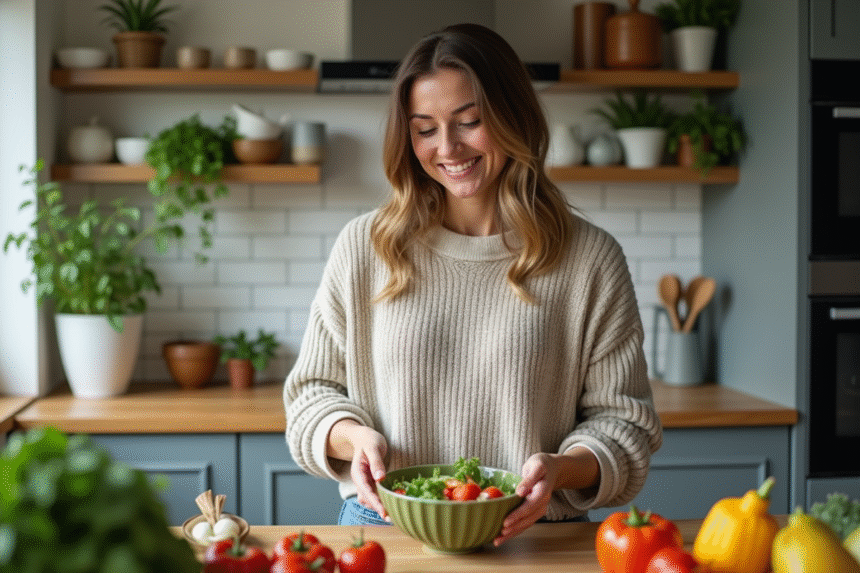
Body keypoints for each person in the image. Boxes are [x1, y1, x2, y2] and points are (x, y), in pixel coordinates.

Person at [284, 22, 662, 545]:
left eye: (470, 121)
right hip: (387, 534)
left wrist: (560, 469)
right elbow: (311, 396)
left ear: (514, 117)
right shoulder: (365, 247)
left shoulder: (590, 259)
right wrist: (353, 437)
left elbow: (626, 426)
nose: (448, 148)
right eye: (424, 129)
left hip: (536, 538)